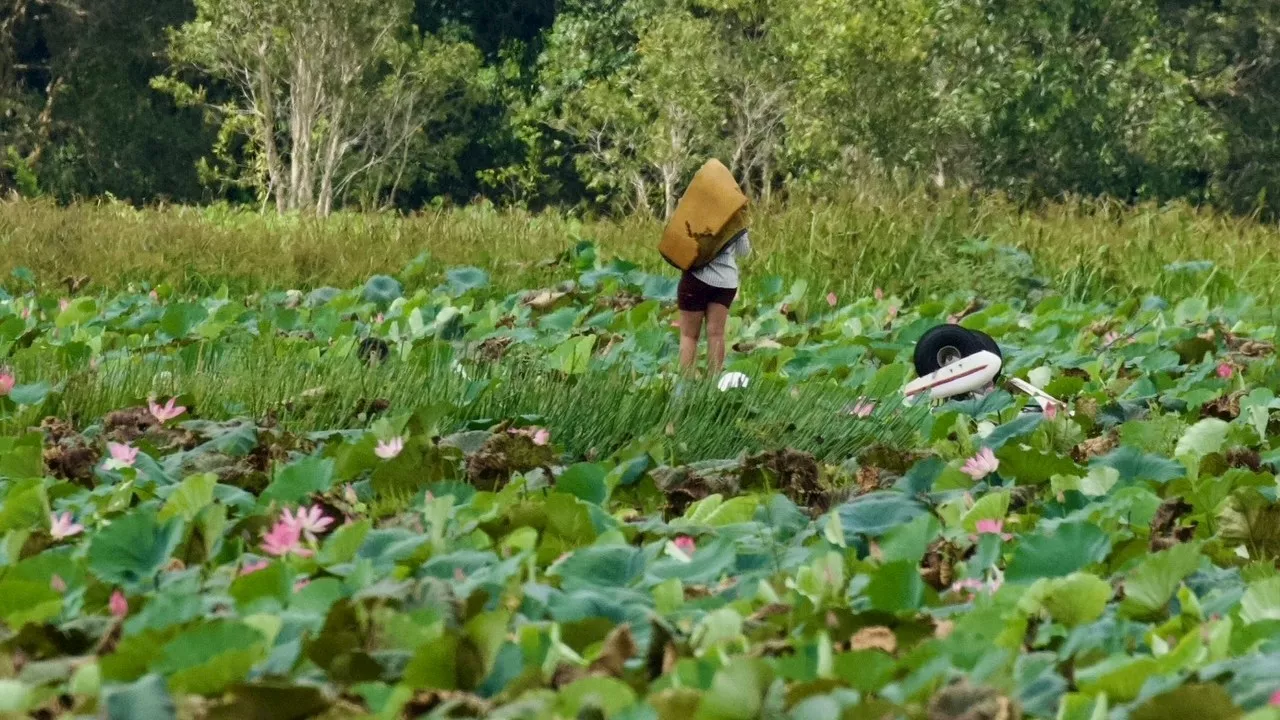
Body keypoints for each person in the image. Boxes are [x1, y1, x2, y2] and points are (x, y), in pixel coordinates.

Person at [677, 230, 751, 375]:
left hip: (695, 276)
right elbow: (743, 251)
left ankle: (684, 389)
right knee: (716, 334)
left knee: (689, 335)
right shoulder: (735, 211)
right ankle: (712, 387)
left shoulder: (693, 207)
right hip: (725, 281)